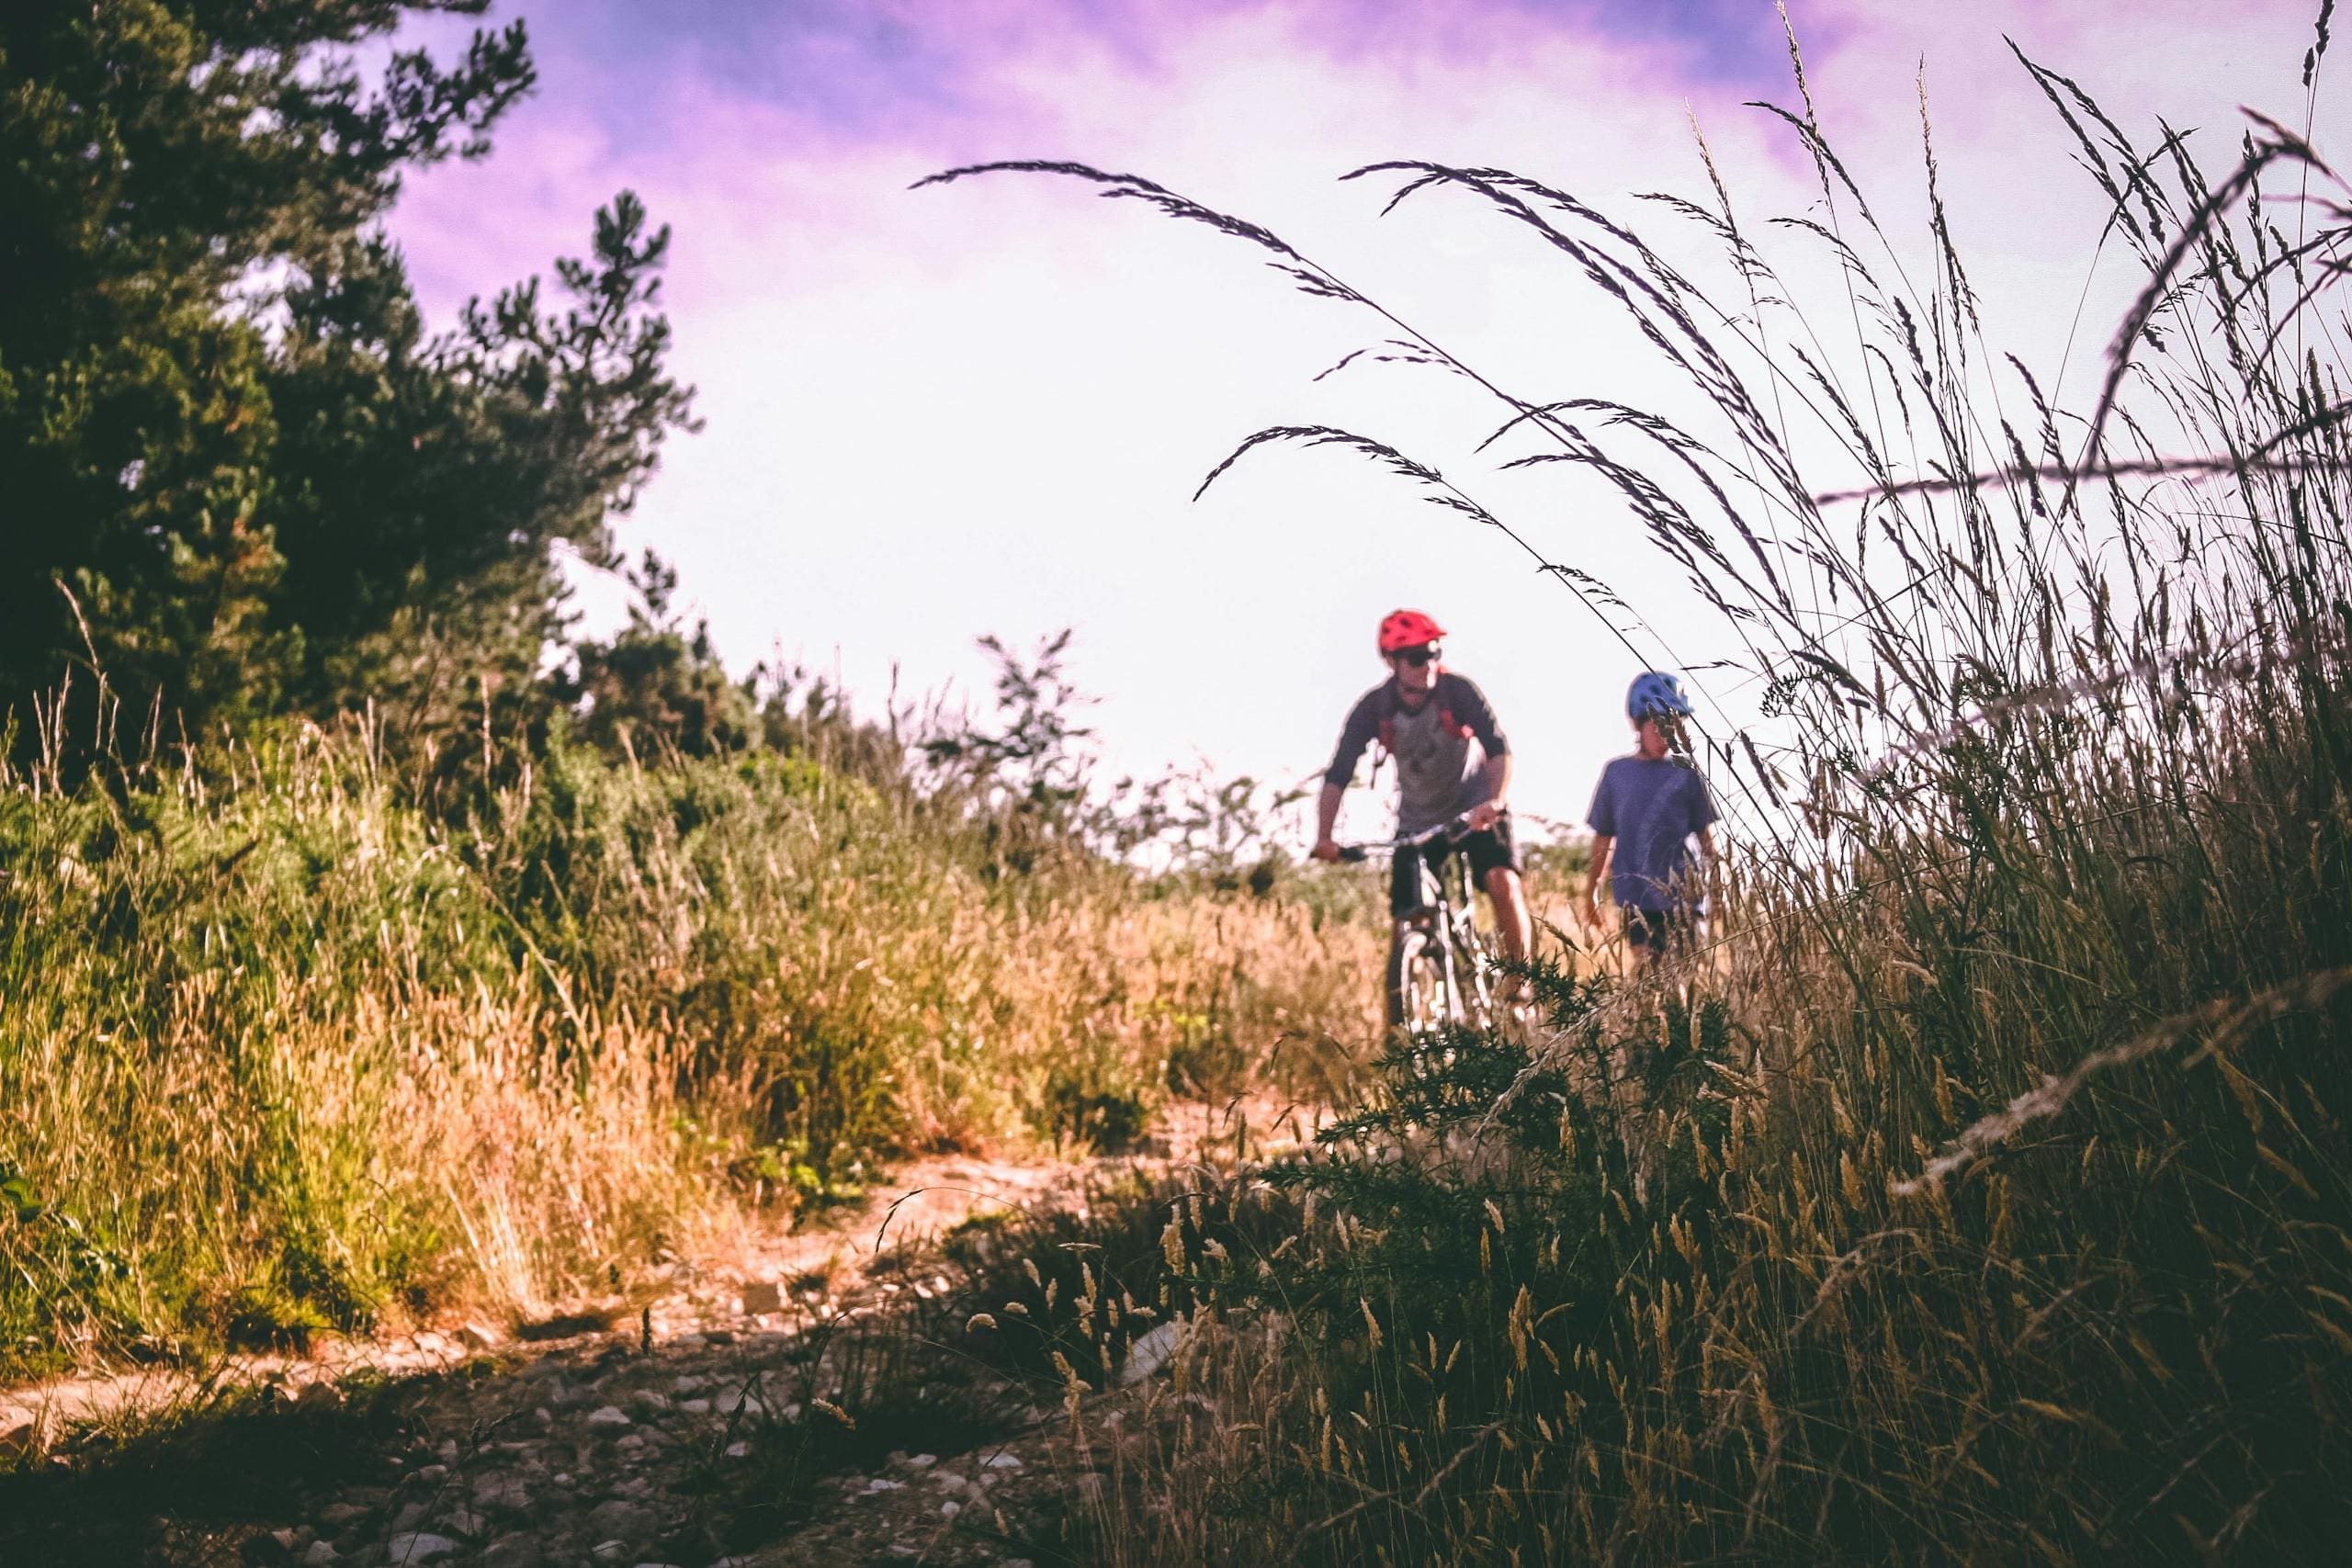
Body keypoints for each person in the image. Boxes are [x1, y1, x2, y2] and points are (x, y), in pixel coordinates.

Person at [1311, 610, 1532, 1001]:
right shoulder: (1374, 708)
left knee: (1502, 882)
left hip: (1475, 810)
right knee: (1406, 917)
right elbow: (1338, 774)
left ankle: (1521, 986)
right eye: (1415, 656)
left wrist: (1494, 800)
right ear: (1391, 661)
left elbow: (1498, 749)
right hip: (1418, 820)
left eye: (1433, 652)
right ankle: (1409, 1015)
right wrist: (1324, 837)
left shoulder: (1458, 692)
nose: (1427, 663)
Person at [1580, 671, 1718, 965]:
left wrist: (1717, 889)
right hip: (1636, 897)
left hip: (1684, 895)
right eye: (1656, 725)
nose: (1664, 734)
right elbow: (1603, 839)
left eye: (1672, 725)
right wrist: (1591, 892)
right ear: (1638, 724)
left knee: (1682, 980)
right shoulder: (1617, 774)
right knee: (1647, 975)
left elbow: (1705, 838)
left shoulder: (1687, 773)